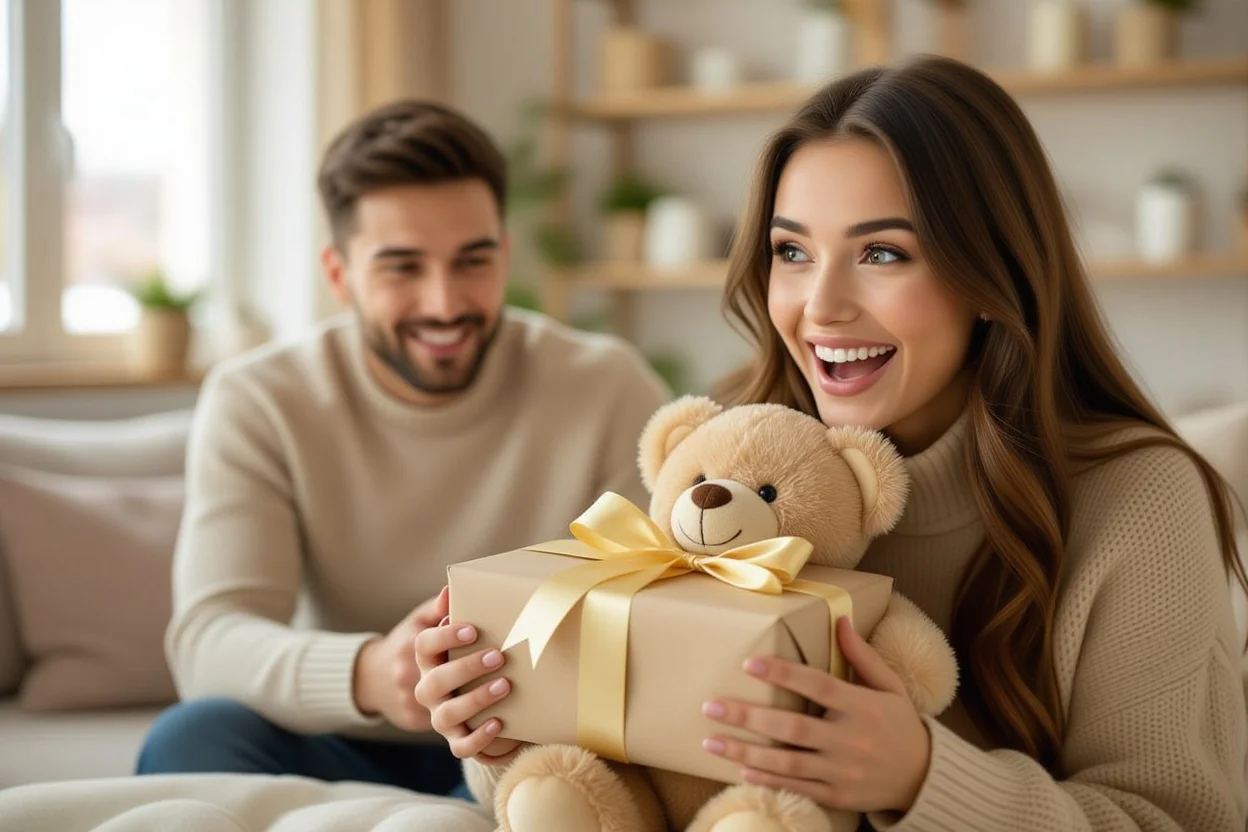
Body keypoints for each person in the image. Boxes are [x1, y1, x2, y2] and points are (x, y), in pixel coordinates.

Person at [414, 56, 1248, 830]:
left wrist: (924, 779)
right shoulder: (730, 463)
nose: (821, 307)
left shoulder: (1138, 498)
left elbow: (1177, 818)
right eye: (792, 252)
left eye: (882, 252)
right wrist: (502, 734)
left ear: (994, 276)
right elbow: (635, 771)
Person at [134, 99, 671, 799]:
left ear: (505, 254)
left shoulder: (606, 386)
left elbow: (659, 615)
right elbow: (208, 640)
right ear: (340, 274)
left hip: (530, 746)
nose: (444, 302)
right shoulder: (259, 398)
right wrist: (375, 675)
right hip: (338, 733)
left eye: (472, 261)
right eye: (402, 267)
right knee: (188, 739)